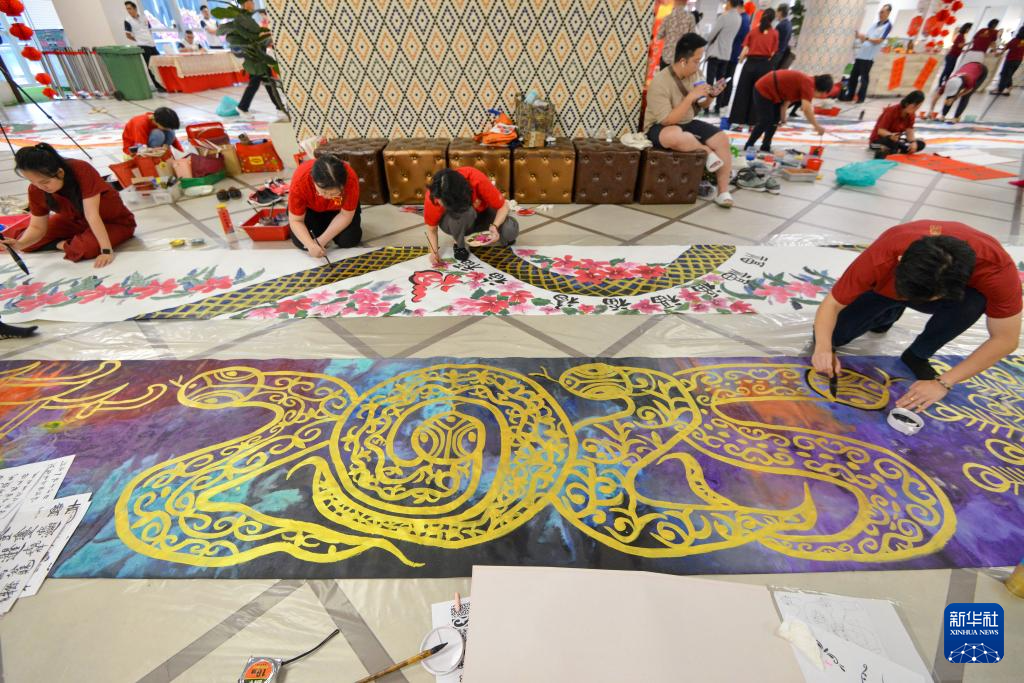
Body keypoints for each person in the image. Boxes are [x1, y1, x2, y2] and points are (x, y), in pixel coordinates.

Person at [812, 220, 1021, 412]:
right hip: (885, 287)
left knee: (975, 301)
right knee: (833, 335)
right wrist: (823, 347)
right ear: (901, 261)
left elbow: (1006, 339)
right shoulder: (886, 251)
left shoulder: (996, 270)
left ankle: (918, 353)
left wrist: (943, 382)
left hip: (947, 297)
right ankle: (889, 311)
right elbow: (832, 304)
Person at [1, 144, 135, 267]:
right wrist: (20, 244)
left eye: (45, 182)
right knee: (27, 243)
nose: (40, 187)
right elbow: (37, 227)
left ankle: (67, 243)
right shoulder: (36, 188)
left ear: (60, 173)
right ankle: (68, 242)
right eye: (33, 181)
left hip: (112, 222)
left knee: (85, 248)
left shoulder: (81, 169)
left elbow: (92, 214)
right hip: (73, 221)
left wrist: (106, 250)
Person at [644, 33, 735, 208]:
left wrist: (711, 96)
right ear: (683, 61)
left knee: (722, 138)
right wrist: (690, 97)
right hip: (659, 126)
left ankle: (723, 192)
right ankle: (706, 151)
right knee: (674, 135)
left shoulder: (696, 74)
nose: (699, 65)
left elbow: (701, 104)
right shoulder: (660, 82)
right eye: (696, 61)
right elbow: (667, 120)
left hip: (686, 122)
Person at [424, 168, 519, 265]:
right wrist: (434, 252)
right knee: (465, 214)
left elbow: (503, 207)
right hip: (457, 220)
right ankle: (459, 244)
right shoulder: (434, 195)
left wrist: (495, 226)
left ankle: (485, 230)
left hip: (483, 213)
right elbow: (432, 230)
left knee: (510, 230)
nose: (440, 203)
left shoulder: (476, 178)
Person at [287, 154, 362, 257]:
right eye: (323, 192)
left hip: (338, 211)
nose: (327, 197)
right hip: (310, 211)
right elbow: (296, 220)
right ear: (313, 180)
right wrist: (310, 245)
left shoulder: (350, 179)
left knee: (350, 239)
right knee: (302, 242)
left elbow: (345, 215)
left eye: (334, 194)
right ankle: (322, 228)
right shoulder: (300, 181)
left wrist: (321, 241)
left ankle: (325, 229)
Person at [745, 70, 831, 152]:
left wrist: (783, 118)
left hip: (775, 92)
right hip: (764, 88)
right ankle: (749, 145)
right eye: (822, 94)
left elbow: (786, 103)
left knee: (775, 121)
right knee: (765, 120)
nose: (820, 96)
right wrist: (817, 127)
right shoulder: (809, 85)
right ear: (821, 90)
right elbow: (806, 109)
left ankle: (765, 146)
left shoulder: (807, 82)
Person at [231, 0, 287, 121]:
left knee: (267, 83)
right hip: (254, 57)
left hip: (259, 55)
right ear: (245, 3)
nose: (253, 4)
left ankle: (279, 108)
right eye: (251, 2)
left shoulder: (249, 18)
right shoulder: (241, 19)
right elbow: (249, 37)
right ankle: (243, 107)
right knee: (259, 83)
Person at [730, 9, 778, 127]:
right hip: (765, 66)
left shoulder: (754, 31)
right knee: (759, 95)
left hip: (750, 64)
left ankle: (739, 123)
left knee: (743, 92)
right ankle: (753, 124)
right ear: (772, 19)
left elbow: (745, 48)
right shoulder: (775, 33)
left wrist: (740, 60)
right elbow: (773, 53)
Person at [842, 4, 892, 104]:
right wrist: (860, 37)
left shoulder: (888, 26)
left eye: (882, 12)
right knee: (853, 76)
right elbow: (866, 38)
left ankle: (861, 98)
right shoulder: (874, 25)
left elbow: (879, 40)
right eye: (880, 12)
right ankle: (850, 96)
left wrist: (866, 38)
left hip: (868, 57)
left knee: (864, 79)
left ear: (888, 13)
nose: (880, 14)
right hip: (861, 54)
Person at [704, 0, 744, 115]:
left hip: (716, 52)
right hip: (727, 54)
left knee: (710, 80)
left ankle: (706, 106)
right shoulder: (739, 18)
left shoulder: (724, 17)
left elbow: (711, 35)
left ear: (730, 3)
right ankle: (718, 106)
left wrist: (706, 38)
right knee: (721, 81)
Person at [123, 1, 165, 93]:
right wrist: (139, 40)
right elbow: (128, 35)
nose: (128, 11)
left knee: (159, 64)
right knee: (151, 66)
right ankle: (158, 86)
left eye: (130, 8)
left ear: (135, 8)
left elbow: (149, 29)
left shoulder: (144, 17)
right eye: (127, 9)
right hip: (143, 45)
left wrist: (149, 38)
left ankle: (164, 83)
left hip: (152, 44)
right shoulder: (127, 20)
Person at [869, 91, 926, 158]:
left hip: (896, 140)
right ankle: (894, 150)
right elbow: (881, 131)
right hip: (879, 140)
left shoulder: (911, 114)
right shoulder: (891, 111)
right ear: (907, 103)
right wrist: (891, 135)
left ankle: (895, 150)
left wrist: (913, 142)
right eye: (914, 106)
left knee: (920, 144)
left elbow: (909, 130)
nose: (915, 109)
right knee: (891, 143)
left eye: (917, 107)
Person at [721, 1, 752, 113]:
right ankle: (723, 103)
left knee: (726, 78)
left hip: (732, 52)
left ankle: (723, 103)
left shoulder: (742, 19)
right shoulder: (746, 19)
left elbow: (736, 37)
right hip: (735, 52)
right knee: (728, 77)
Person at [657, 0, 696, 70]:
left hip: (667, 57)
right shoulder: (690, 18)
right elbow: (693, 39)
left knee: (664, 77)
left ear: (674, 1)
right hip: (681, 59)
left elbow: (659, 35)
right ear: (686, 2)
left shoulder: (668, 17)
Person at [992, 26, 1024, 96]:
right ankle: (1009, 88)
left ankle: (999, 90)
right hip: (1018, 61)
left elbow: (1006, 47)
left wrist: (999, 53)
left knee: (1004, 74)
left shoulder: (1015, 40)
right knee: (1009, 74)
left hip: (1010, 60)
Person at [774, 4, 794, 70]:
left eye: (776, 11)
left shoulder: (780, 25)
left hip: (775, 53)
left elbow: (774, 41)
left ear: (780, 12)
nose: (776, 14)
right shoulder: (789, 24)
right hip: (781, 54)